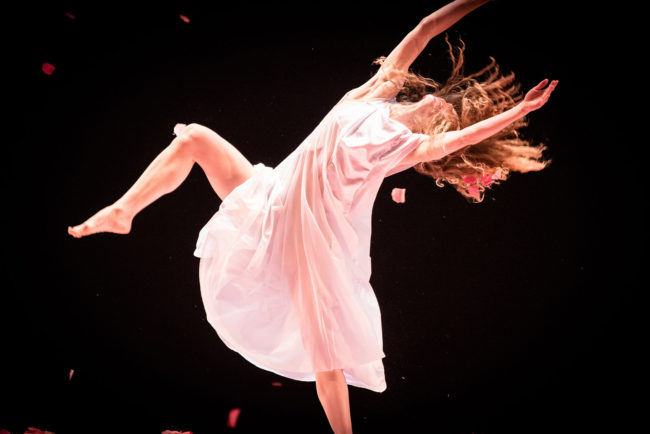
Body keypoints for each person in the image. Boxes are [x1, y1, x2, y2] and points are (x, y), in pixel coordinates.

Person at [68, 1, 557, 432]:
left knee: (327, 353)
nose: (439, 106)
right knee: (194, 137)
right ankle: (123, 211)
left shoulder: (403, 147)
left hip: (309, 233)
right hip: (271, 195)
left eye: (444, 117)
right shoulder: (373, 92)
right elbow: (427, 27)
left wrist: (518, 112)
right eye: (440, 104)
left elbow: (462, 140)